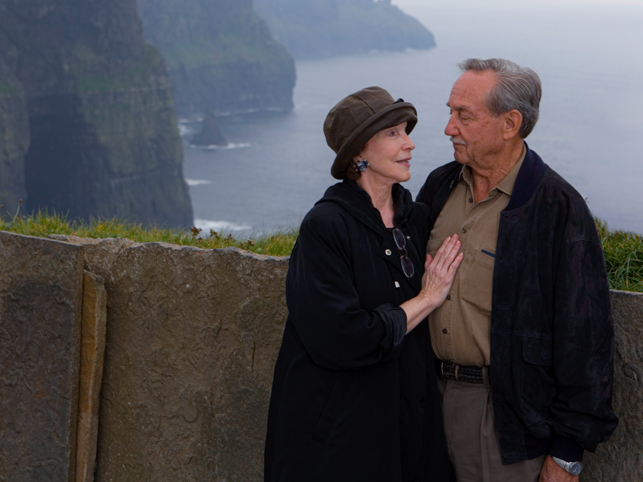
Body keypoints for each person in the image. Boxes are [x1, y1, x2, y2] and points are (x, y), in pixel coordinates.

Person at [417, 58, 618, 482]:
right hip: (426, 403)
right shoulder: (439, 186)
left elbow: (586, 339)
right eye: (450, 113)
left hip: (505, 421)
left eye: (464, 116)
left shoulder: (557, 207)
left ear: (510, 123)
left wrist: (567, 453)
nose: (449, 128)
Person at [265, 86, 464, 482]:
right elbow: (342, 337)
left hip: (409, 426)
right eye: (392, 133)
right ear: (359, 153)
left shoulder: (417, 220)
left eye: (405, 131)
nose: (409, 143)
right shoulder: (326, 226)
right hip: (340, 438)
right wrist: (426, 299)